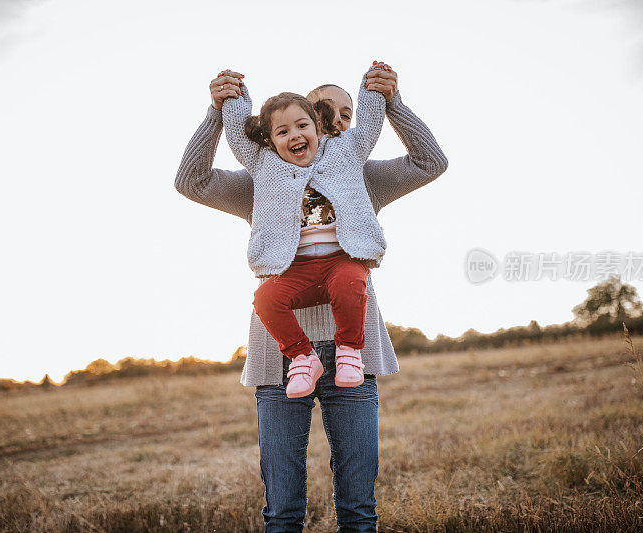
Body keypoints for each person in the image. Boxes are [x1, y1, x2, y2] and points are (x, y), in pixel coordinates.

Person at [175, 63, 448, 532]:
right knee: (282, 510)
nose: (341, 122)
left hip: (354, 357)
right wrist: (215, 112)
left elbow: (430, 162)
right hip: (279, 356)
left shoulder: (360, 176)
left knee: (358, 509)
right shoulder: (266, 181)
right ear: (310, 119)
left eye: (350, 112)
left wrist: (393, 102)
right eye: (331, 112)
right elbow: (191, 181)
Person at [221, 63, 390, 399]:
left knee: (349, 283)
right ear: (268, 140)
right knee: (265, 298)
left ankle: (349, 352)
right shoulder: (263, 165)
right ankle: (302, 357)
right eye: (282, 132)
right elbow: (239, 137)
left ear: (317, 124)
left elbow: (369, 125)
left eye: (301, 125)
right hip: (295, 269)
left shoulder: (347, 151)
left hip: (340, 260)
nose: (294, 135)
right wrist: (232, 97)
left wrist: (373, 87)